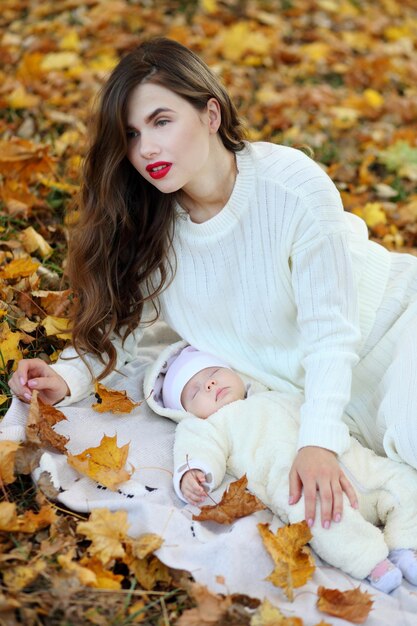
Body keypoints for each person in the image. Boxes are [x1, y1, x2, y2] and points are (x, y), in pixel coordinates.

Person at [8, 37, 417, 532]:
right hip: (317, 397)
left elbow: (332, 332)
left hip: (394, 330)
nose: (147, 149)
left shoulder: (291, 186)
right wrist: (69, 376)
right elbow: (128, 324)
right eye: (132, 135)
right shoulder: (151, 227)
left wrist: (318, 441)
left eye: (162, 121)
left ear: (211, 114)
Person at [145, 340, 417, 594]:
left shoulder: (270, 389)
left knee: (402, 480)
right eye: (194, 391)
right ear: (186, 412)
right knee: (323, 517)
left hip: (349, 459)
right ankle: (371, 561)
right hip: (296, 481)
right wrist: (194, 472)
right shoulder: (209, 425)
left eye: (214, 371)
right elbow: (197, 448)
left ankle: (403, 543)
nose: (210, 383)